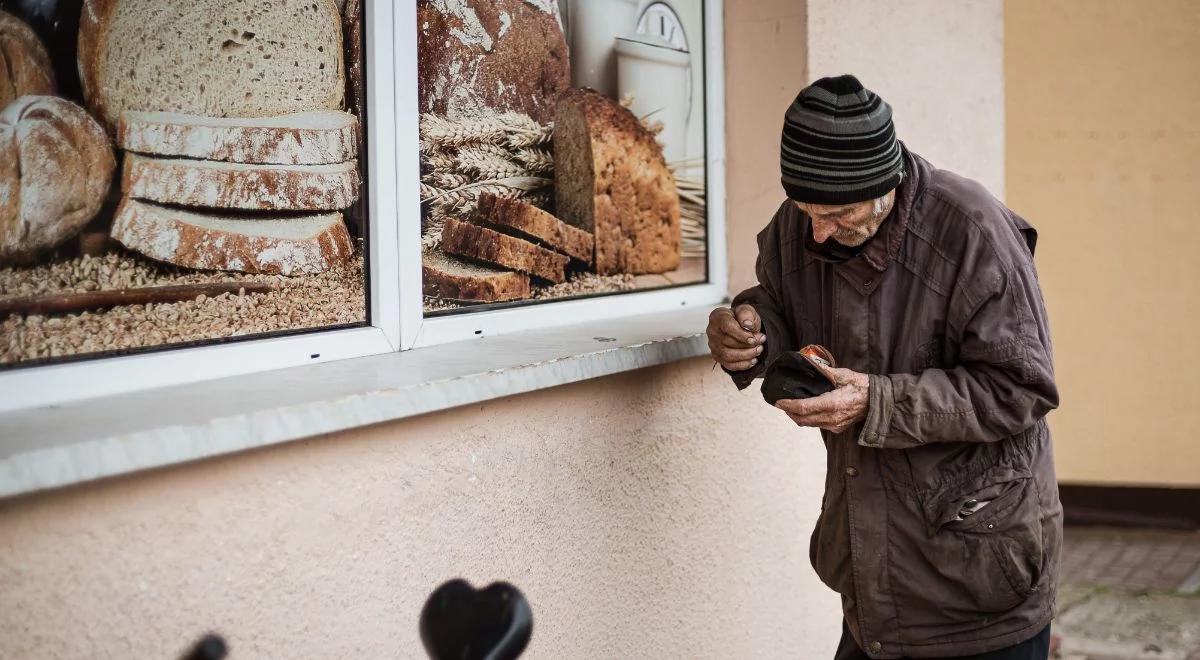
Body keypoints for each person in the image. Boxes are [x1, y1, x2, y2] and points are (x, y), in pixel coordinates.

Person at [707, 75, 1060, 659]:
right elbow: (784, 305)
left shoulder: (974, 232)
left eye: (838, 213)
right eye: (805, 209)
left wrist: (877, 402)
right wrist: (751, 330)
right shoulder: (805, 222)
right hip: (875, 577)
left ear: (886, 185)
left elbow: (1020, 387)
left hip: (979, 573)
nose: (818, 230)